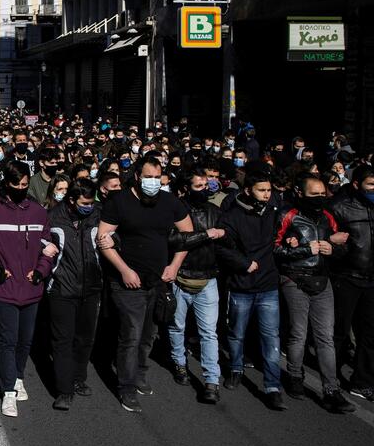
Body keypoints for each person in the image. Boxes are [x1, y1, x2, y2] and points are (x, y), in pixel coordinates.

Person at [97, 154, 193, 414]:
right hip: (127, 282)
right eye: (148, 177)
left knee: (149, 335)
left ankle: (140, 373)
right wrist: (125, 270)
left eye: (157, 178)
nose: (153, 182)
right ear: (137, 176)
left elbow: (187, 236)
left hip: (158, 283)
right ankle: (126, 387)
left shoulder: (170, 202)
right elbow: (102, 238)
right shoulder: (119, 201)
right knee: (131, 334)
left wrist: (174, 266)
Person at [0, 161, 57, 417]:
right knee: (7, 340)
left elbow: (49, 247)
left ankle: (19, 375)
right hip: (4, 288)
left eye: (25, 185)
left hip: (32, 287)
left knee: (25, 340)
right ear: (7, 183)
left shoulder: (38, 212)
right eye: (16, 185)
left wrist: (41, 271)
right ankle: (8, 391)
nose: (21, 189)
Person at [273, 174, 354, 413]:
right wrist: (306, 249)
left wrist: (334, 249)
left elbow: (342, 248)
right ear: (299, 193)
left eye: (323, 194)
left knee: (325, 337)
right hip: (294, 279)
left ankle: (331, 390)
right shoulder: (287, 215)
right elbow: (274, 249)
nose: (320, 198)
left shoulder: (328, 216)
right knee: (298, 333)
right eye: (313, 194)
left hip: (322, 281)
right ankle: (295, 377)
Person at [218, 169, 286, 410]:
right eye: (262, 190)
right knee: (236, 333)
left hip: (268, 285)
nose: (267, 195)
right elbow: (223, 248)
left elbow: (285, 231)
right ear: (248, 191)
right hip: (241, 286)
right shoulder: (231, 217)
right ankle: (235, 369)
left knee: (271, 337)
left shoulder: (274, 211)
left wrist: (293, 238)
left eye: (269, 190)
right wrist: (243, 263)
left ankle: (272, 385)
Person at [166, 169, 235, 404]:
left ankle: (211, 380)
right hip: (180, 276)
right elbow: (174, 240)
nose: (204, 190)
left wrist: (223, 234)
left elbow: (229, 238)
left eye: (206, 185)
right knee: (177, 327)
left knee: (209, 332)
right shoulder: (173, 211)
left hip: (208, 278)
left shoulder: (216, 211)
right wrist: (206, 235)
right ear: (185, 188)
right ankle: (179, 364)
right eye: (198, 186)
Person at [46, 178, 102, 411]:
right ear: (71, 200)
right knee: (63, 340)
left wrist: (113, 240)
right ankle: (64, 390)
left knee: (85, 338)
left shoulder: (99, 215)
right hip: (61, 288)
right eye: (84, 203)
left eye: (91, 202)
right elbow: (39, 244)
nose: (89, 206)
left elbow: (113, 239)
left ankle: (79, 378)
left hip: (91, 288)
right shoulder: (52, 217)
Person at [330, 164, 374, 402]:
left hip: (371, 281)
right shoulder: (339, 208)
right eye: (371, 185)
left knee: (370, 334)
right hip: (346, 278)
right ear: (356, 185)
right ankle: (331, 377)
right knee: (339, 330)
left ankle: (362, 381)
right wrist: (340, 248)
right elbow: (328, 242)